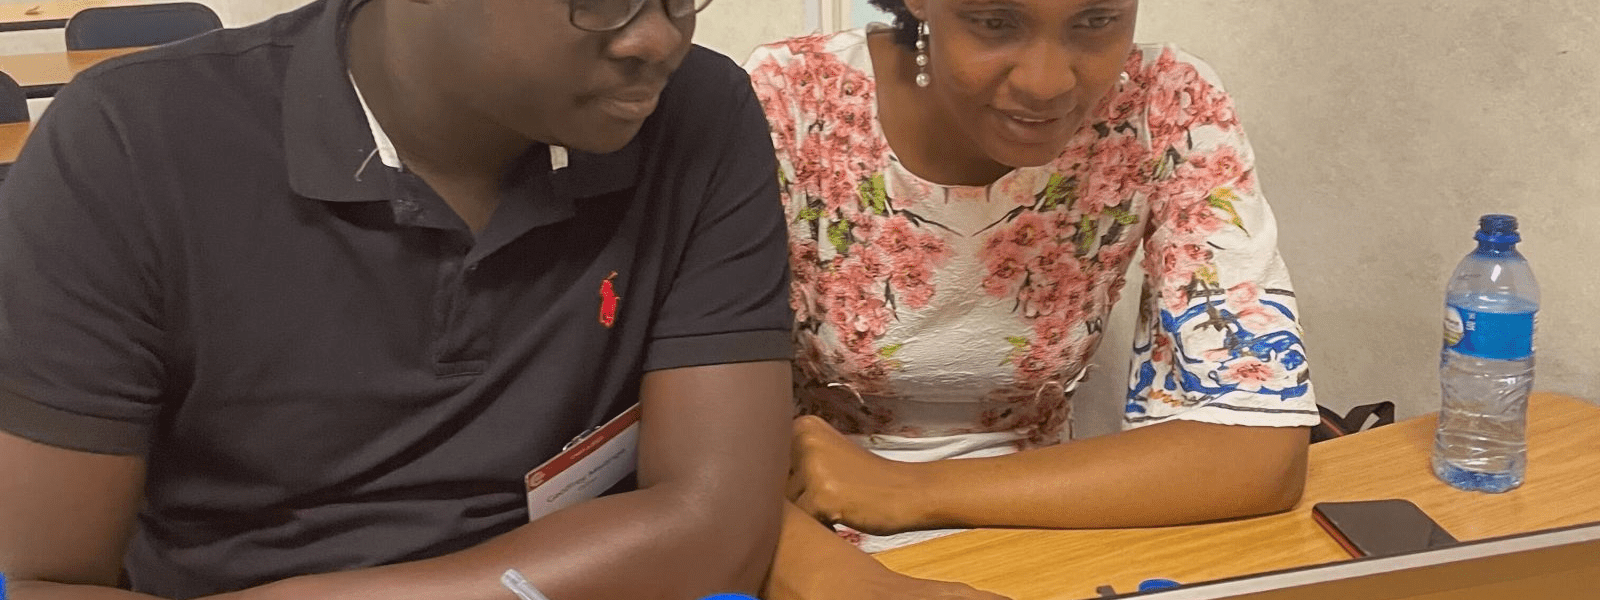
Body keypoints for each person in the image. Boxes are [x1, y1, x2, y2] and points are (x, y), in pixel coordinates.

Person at [0, 0, 795, 598]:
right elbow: (39, 579)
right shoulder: (132, 145)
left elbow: (716, 523)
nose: (657, 37)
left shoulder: (699, 115)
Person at [744, 0, 1319, 598]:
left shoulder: (1166, 103)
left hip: (1042, 522)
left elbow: (1258, 448)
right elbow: (701, 449)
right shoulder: (785, 99)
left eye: (1097, 22)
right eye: (995, 22)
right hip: (797, 528)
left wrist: (907, 490)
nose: (1046, 83)